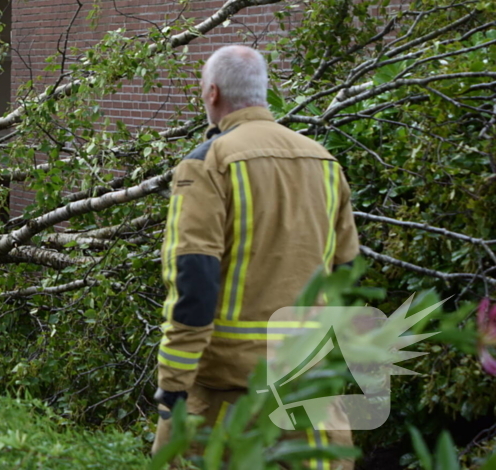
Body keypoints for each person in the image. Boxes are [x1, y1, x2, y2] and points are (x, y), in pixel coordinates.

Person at [151, 46, 359, 465]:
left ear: (212, 93)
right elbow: (346, 271)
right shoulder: (324, 163)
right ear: (262, 91)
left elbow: (194, 282)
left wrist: (172, 385)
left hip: (228, 396)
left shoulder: (207, 164)